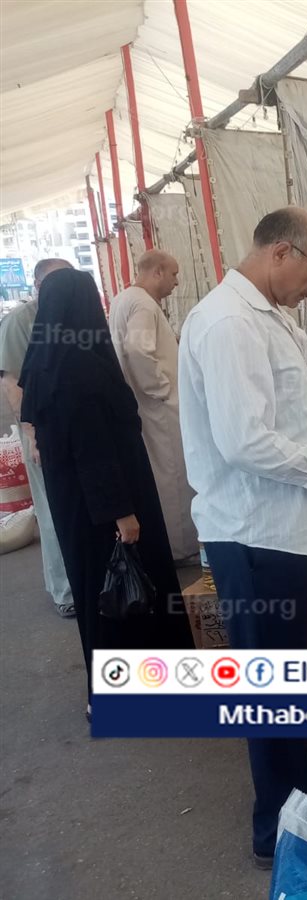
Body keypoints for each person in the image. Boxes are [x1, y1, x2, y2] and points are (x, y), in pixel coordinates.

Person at [178, 207, 307, 869]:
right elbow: (245, 442)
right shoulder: (230, 323)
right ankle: (276, 831)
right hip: (259, 537)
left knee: (295, 672)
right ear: (281, 253)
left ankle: (303, 782)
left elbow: (282, 415)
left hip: (290, 531)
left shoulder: (269, 314)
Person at [17, 269, 193, 716]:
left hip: (76, 507)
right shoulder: (82, 367)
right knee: (126, 592)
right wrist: (122, 514)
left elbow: (34, 420)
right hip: (110, 503)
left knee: (100, 593)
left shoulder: (45, 360)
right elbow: (94, 449)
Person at [108, 249, 199, 562]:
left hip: (144, 404)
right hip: (159, 406)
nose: (176, 282)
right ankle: (181, 547)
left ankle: (170, 545)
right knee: (174, 477)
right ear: (157, 271)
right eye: (173, 274)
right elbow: (138, 350)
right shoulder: (144, 303)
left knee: (161, 475)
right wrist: (162, 389)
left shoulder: (123, 299)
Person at [0, 257, 75, 617]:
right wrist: (32, 435)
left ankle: (91, 579)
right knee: (52, 509)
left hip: (76, 429)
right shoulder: (20, 321)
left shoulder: (71, 316)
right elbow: (13, 384)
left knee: (77, 508)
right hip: (42, 432)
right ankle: (65, 592)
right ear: (38, 286)